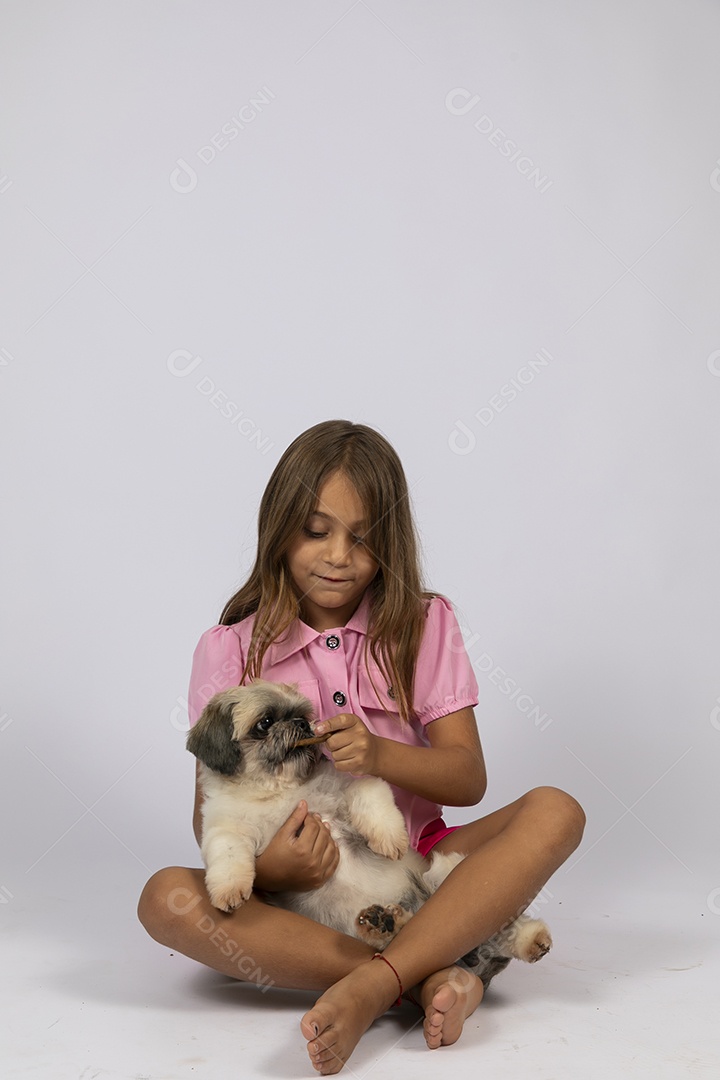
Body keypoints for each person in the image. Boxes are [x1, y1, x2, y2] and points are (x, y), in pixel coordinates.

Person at [138, 419, 585, 1075]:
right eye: (315, 530)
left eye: (362, 537)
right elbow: (211, 814)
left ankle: (375, 985)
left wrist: (379, 757)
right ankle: (430, 971)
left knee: (557, 810)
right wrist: (274, 872)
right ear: (278, 529)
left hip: (417, 860)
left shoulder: (425, 623)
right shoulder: (229, 647)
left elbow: (466, 780)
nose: (338, 555)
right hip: (300, 895)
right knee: (165, 897)